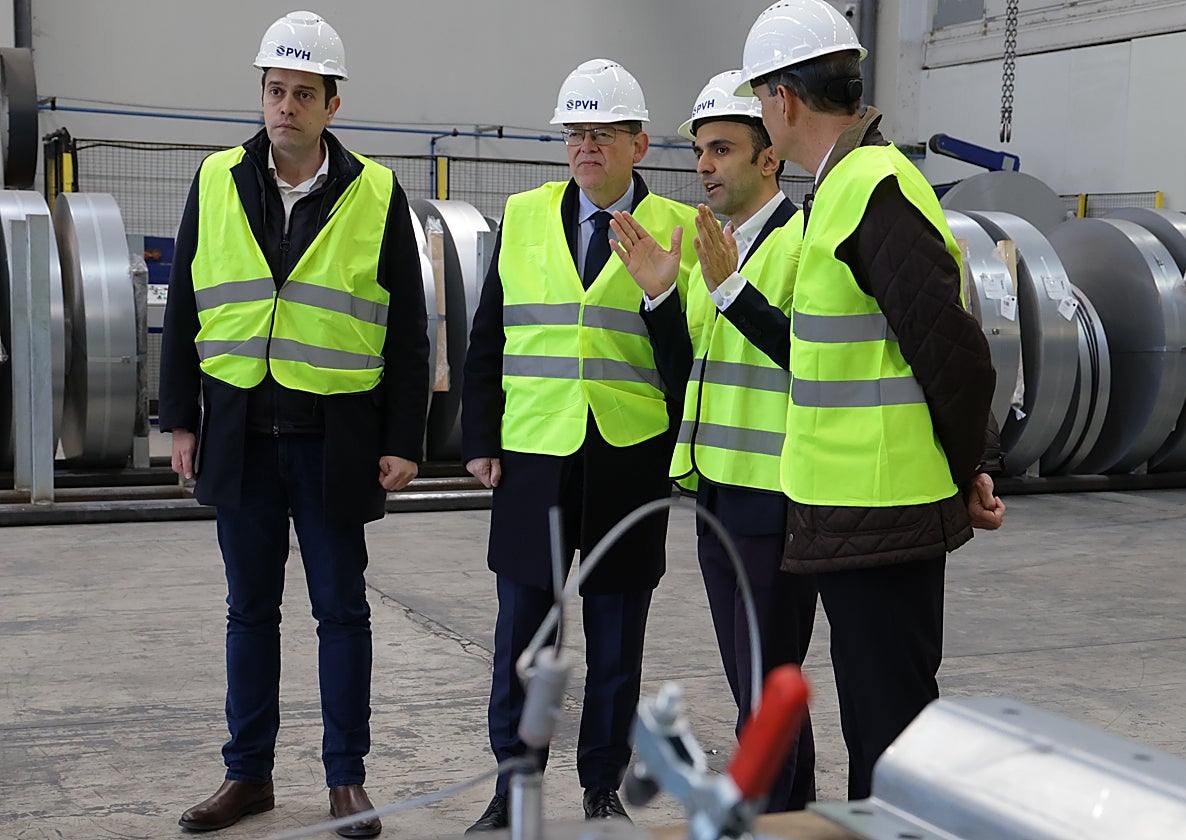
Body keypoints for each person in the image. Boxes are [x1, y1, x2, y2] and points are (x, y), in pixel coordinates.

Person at [719, 0, 1005, 800]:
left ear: (784, 98)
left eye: (758, 100)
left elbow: (950, 350)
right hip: (849, 513)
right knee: (876, 734)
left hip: (885, 513)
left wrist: (971, 465)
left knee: (892, 737)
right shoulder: (841, 188)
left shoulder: (873, 188)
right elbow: (821, 356)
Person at [158, 11, 429, 837]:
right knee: (249, 612)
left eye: (302, 93)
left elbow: (409, 326)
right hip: (239, 432)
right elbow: (183, 311)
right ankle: (248, 776)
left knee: (341, 610)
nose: (285, 106)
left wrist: (402, 440)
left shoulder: (376, 192)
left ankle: (347, 780)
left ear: (332, 104)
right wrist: (180, 421)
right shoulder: (215, 180)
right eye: (275, 90)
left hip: (333, 439)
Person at [460, 58, 698, 832]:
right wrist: (480, 436)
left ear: (639, 144)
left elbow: (685, 362)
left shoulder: (680, 230)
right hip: (533, 451)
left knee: (617, 635)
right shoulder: (524, 215)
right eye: (575, 133)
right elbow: (489, 333)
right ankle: (513, 786)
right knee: (524, 635)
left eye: (602, 133)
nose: (586, 146)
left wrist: (661, 290)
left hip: (629, 455)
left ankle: (601, 785)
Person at [607, 70, 817, 811]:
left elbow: (814, 361)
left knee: (764, 684)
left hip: (777, 494)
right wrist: (663, 295)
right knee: (756, 682)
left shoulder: (802, 247)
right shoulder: (711, 248)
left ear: (770, 159)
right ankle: (790, 819)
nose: (702, 165)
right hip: (716, 490)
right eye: (699, 150)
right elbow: (683, 375)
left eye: (721, 149)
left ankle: (770, 821)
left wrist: (733, 292)